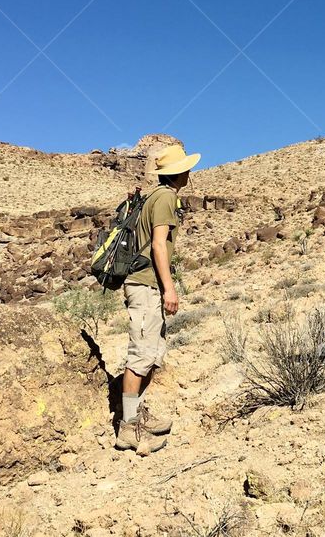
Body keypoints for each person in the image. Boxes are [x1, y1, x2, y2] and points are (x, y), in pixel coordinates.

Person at [115, 143, 200, 454]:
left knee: (151, 352)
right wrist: (169, 288)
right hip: (146, 285)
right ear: (178, 173)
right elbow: (158, 247)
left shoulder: (153, 196)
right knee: (140, 355)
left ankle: (136, 414)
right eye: (186, 168)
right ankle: (128, 428)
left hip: (144, 284)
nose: (190, 172)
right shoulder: (164, 198)